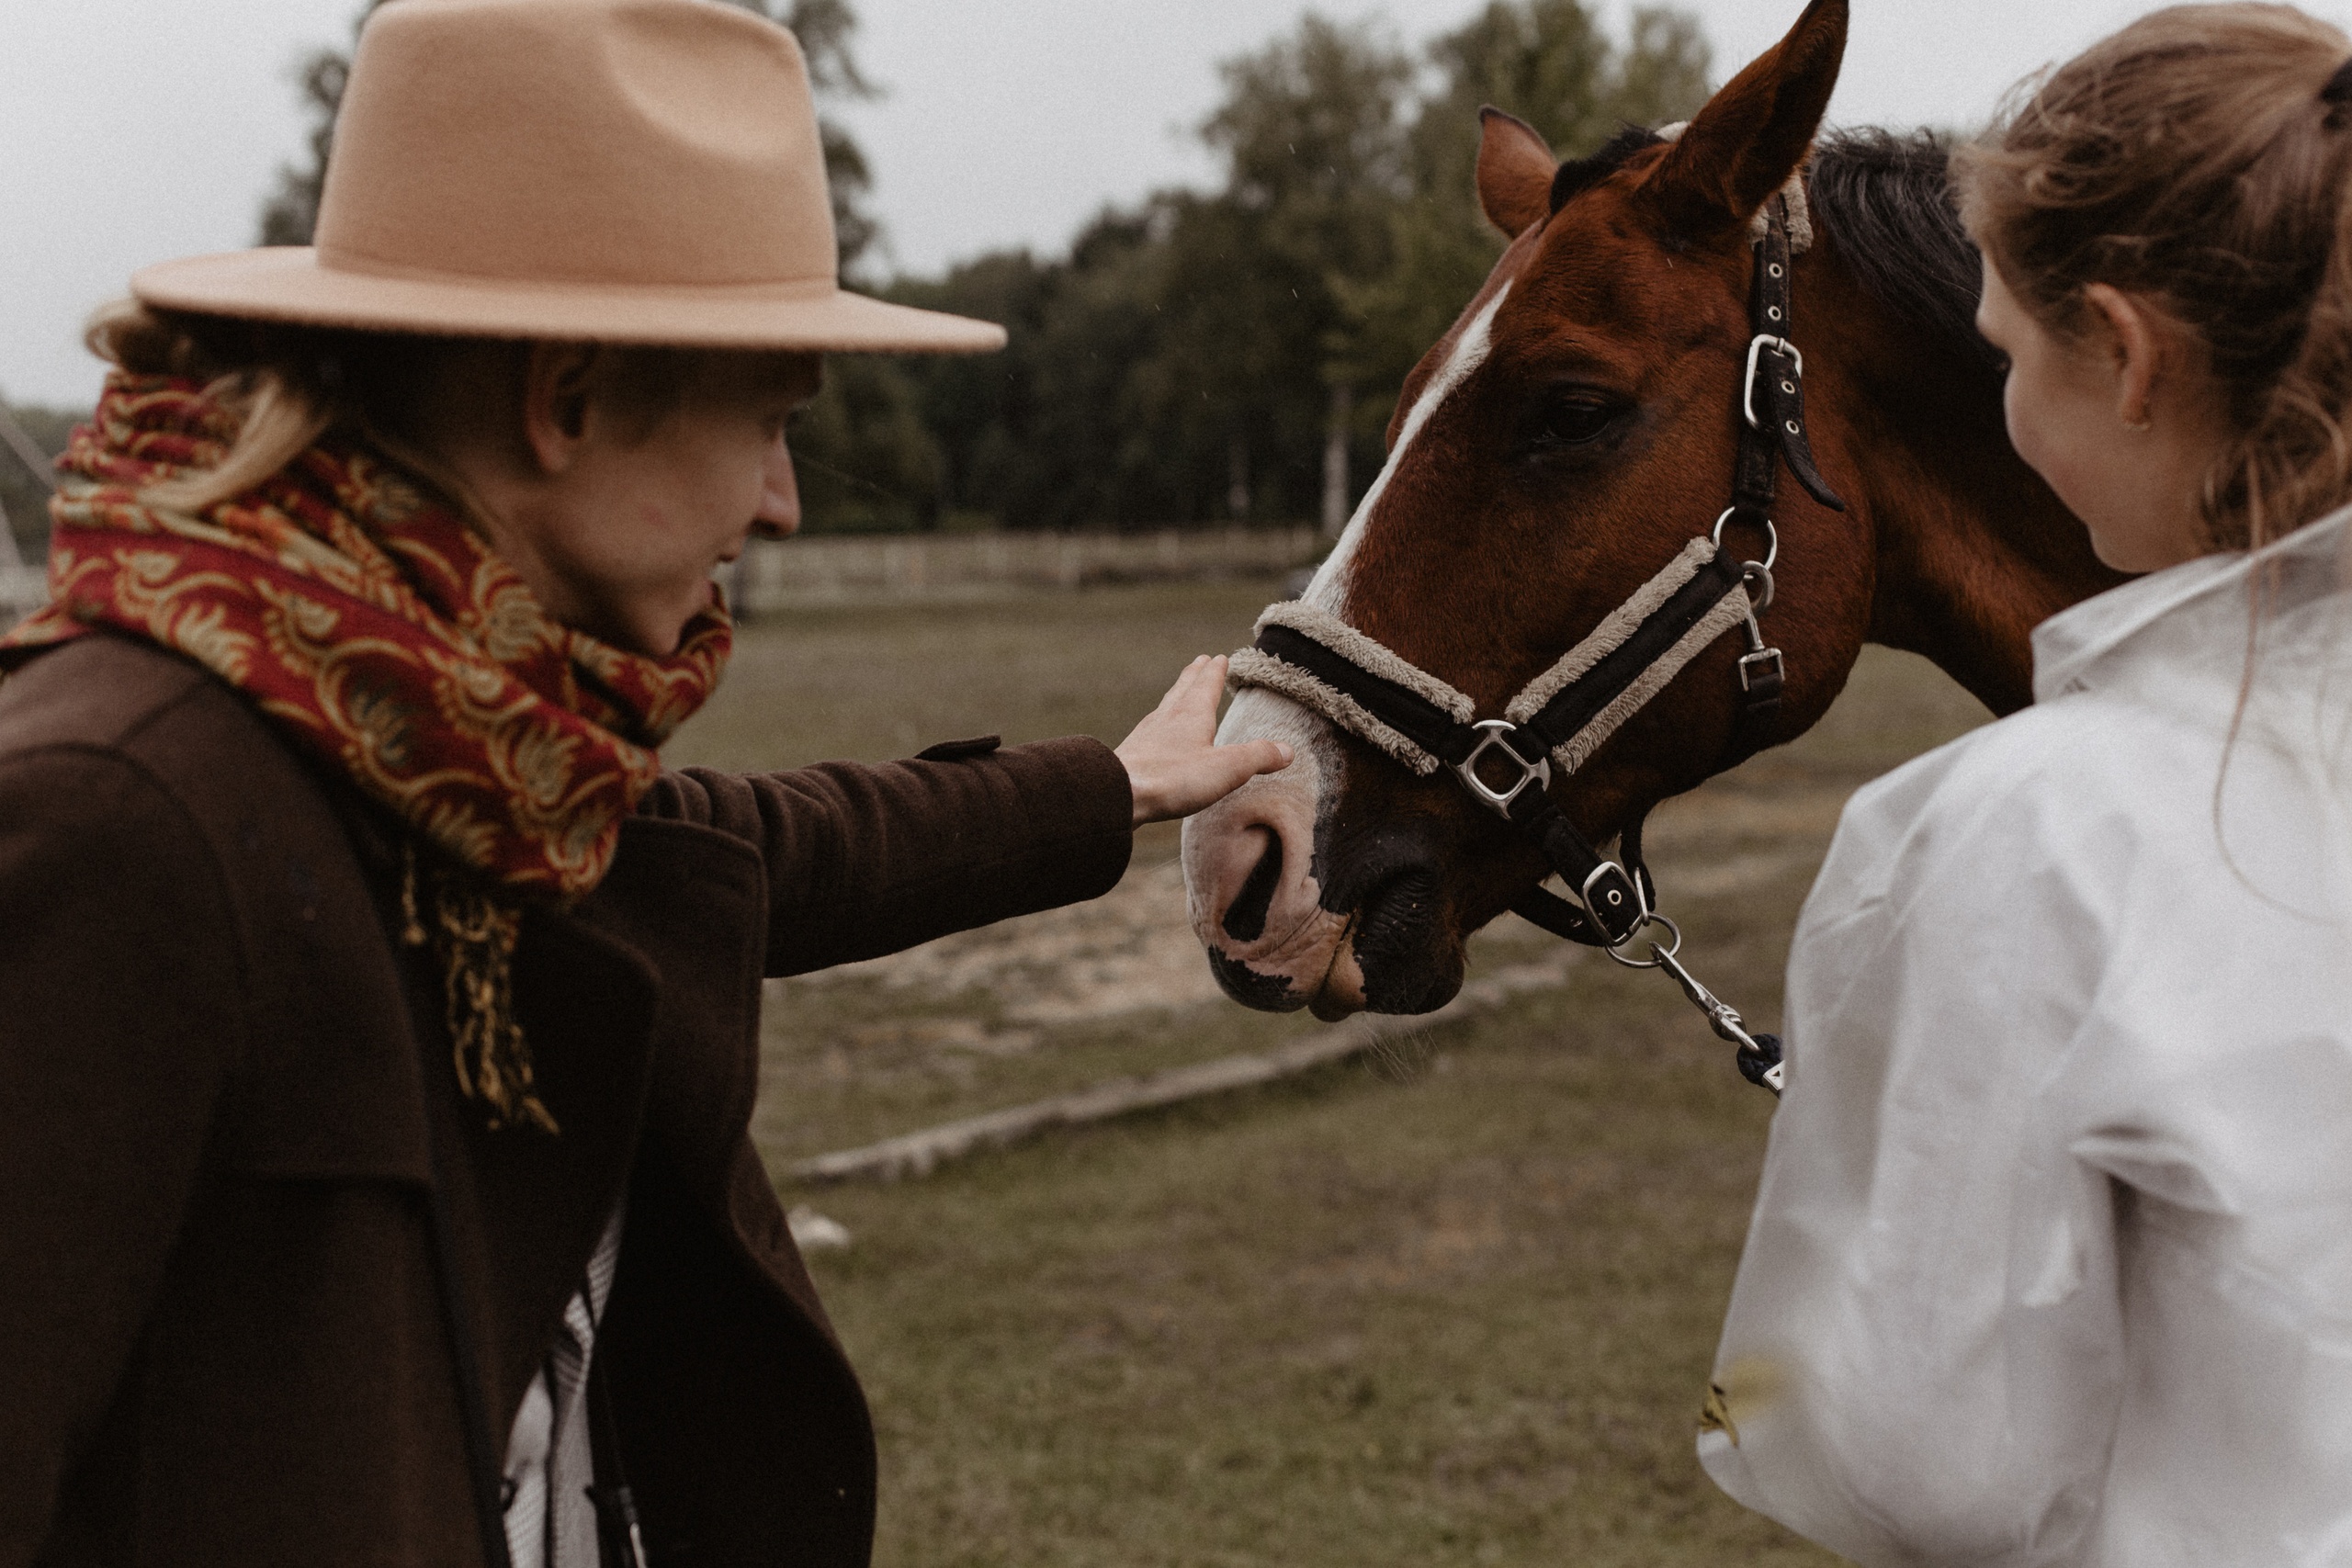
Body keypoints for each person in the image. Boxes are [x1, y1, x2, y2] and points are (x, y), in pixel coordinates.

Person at [0, 2, 1290, 1565]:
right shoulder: (122, 820)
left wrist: (1110, 786)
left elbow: (757, 850)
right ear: (570, 395)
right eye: (769, 421)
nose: (785, 501)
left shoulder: (457, 761)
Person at [1699, 6, 2352, 1562]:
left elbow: (1915, 1457)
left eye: (2004, 352)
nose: (2001, 404)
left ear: (2123, 359)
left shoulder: (2019, 832)